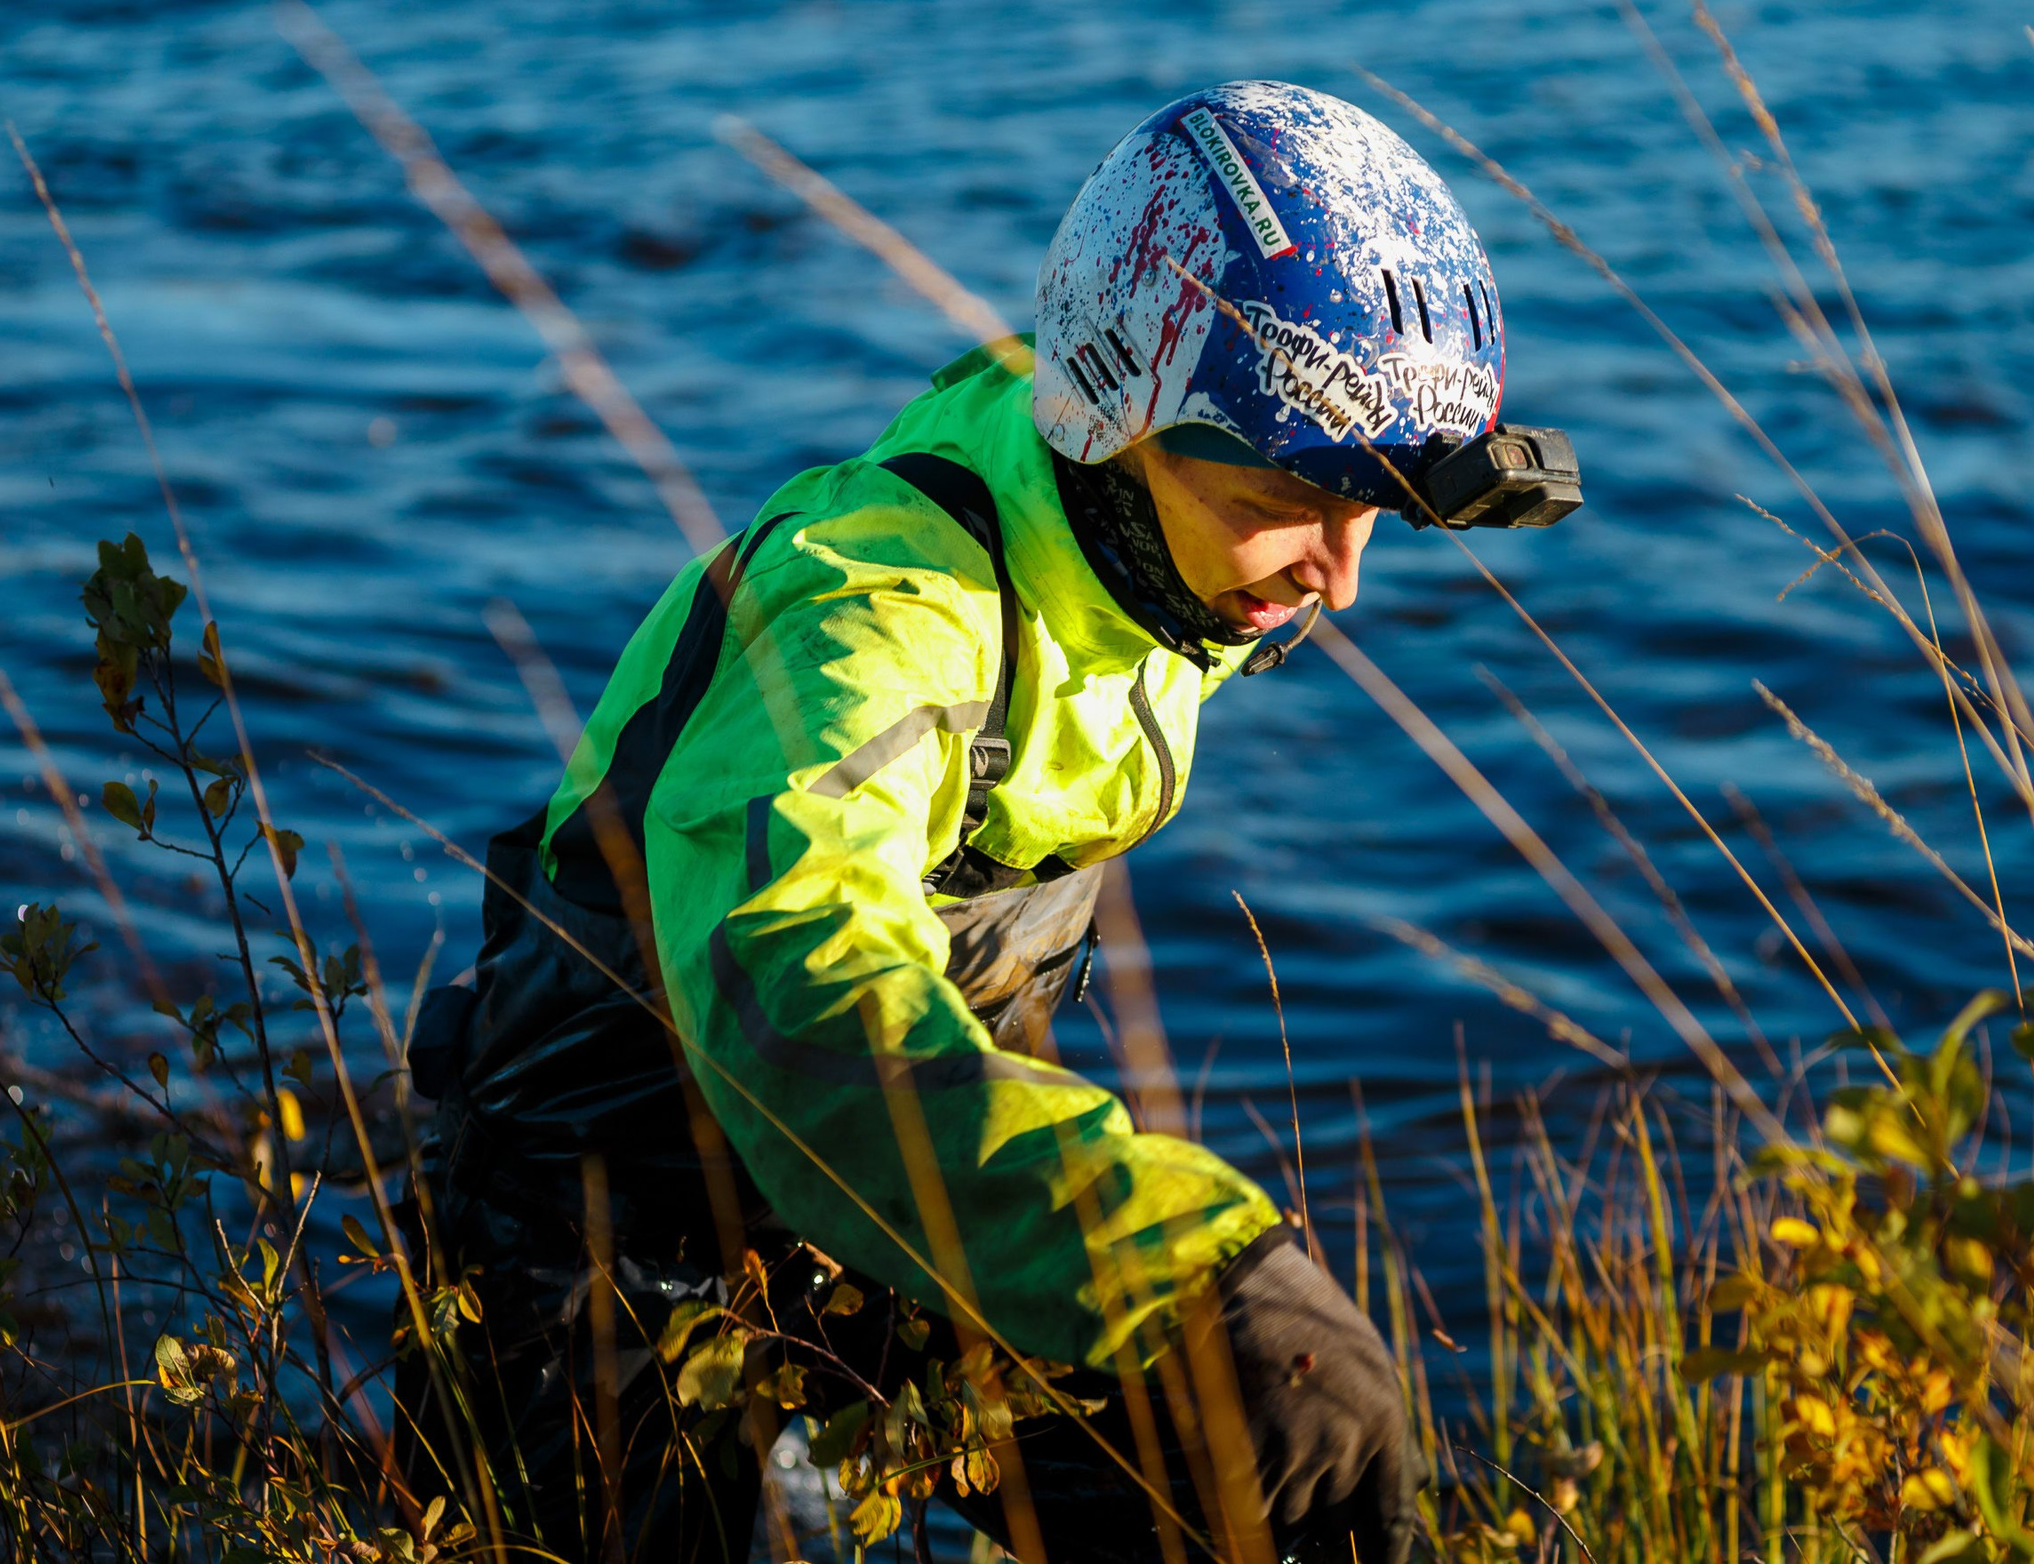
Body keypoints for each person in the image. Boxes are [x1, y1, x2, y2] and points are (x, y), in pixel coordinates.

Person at [393, 80, 1578, 1564]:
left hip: (910, 1197)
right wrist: (1174, 1263)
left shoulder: (1154, 551)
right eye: (1296, 492)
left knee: (1270, 1464)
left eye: (1379, 508)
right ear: (1123, 415)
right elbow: (800, 992)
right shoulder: (874, 614)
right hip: (611, 1226)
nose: (1340, 578)